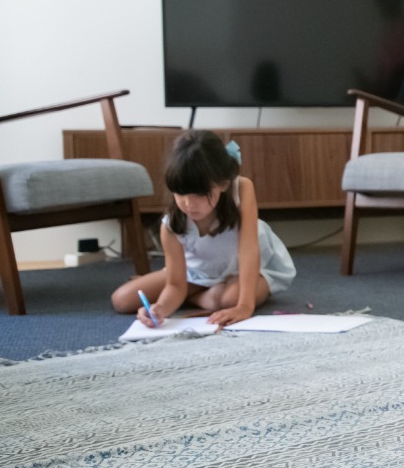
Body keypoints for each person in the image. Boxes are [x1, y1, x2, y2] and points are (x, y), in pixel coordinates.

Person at [111, 130, 296, 328]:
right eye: (181, 194)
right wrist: (161, 308)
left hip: (243, 268)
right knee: (122, 300)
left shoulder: (241, 188)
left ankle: (204, 296)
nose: (189, 204)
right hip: (196, 272)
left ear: (223, 184)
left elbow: (249, 250)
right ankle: (204, 296)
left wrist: (244, 306)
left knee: (230, 300)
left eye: (200, 194)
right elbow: (175, 285)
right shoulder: (171, 226)